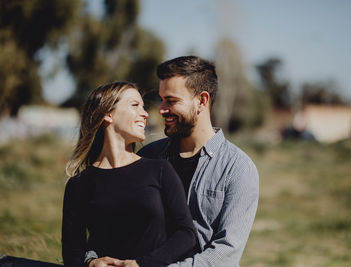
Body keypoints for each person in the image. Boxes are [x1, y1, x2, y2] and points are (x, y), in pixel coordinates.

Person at [137, 56, 259, 266]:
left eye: (172, 100)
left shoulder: (238, 169)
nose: (162, 109)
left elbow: (225, 254)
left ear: (202, 100)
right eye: (161, 99)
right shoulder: (148, 157)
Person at [62, 81, 196, 267]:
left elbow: (186, 234)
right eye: (135, 105)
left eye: (143, 106)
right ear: (108, 114)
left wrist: (142, 264)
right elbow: (71, 251)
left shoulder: (160, 170)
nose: (145, 113)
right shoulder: (79, 184)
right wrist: (90, 263)